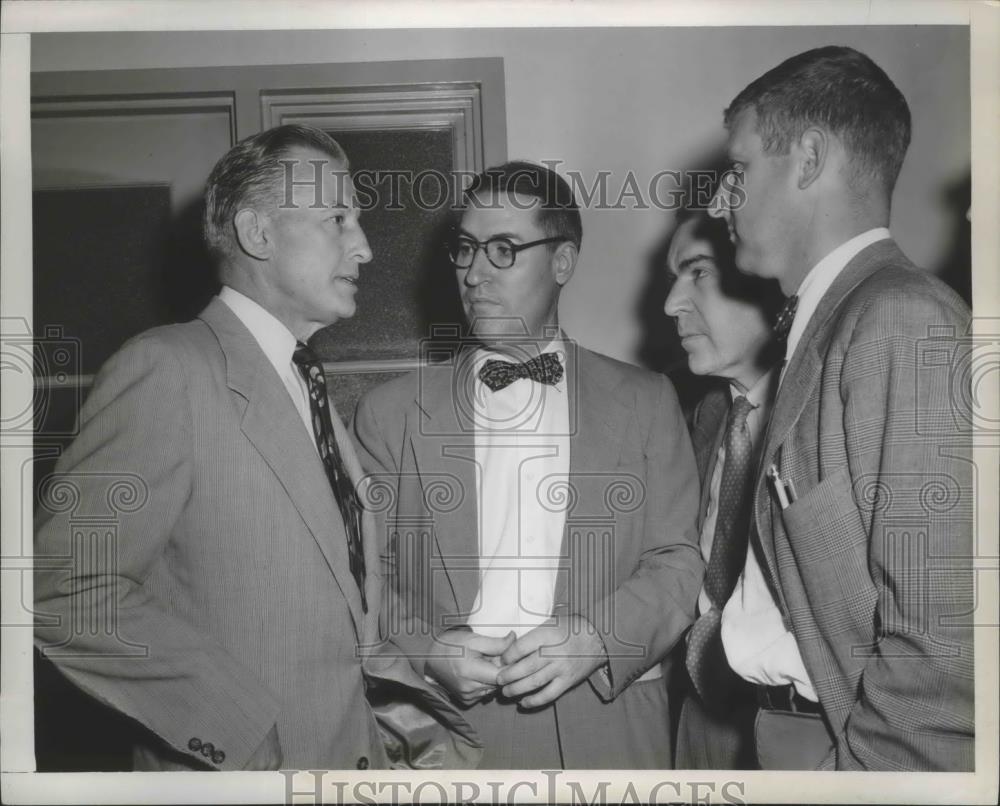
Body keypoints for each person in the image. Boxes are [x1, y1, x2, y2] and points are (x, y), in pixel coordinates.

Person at [34, 124, 479, 771]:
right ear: (257, 233)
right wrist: (235, 725)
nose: (365, 248)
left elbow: (339, 599)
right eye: (337, 218)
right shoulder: (167, 369)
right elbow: (61, 587)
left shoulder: (303, 383)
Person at [353, 161, 703, 768]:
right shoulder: (389, 414)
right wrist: (430, 651)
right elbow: (364, 578)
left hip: (608, 724)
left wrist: (597, 639)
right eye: (464, 249)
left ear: (562, 262)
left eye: (504, 249)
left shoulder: (648, 400)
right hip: (447, 733)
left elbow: (677, 560)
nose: (474, 273)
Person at [707, 46, 974, 770]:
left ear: (809, 159)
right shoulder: (834, 321)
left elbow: (945, 656)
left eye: (737, 173)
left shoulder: (902, 319)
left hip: (852, 758)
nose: (717, 201)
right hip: (793, 737)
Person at [662, 210, 784, 769]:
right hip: (697, 716)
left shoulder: (828, 413)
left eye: (698, 273)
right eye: (672, 277)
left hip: (793, 727)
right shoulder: (706, 413)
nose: (671, 304)